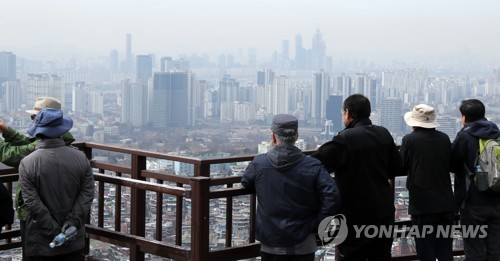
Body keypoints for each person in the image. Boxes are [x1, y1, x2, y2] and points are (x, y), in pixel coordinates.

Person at [311, 94, 402, 260]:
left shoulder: (345, 139)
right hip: (383, 211)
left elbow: (314, 165)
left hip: (355, 216)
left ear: (347, 113)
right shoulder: (384, 134)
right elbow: (396, 167)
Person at [241, 114, 341, 261]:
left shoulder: (259, 164)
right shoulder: (312, 166)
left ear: (273, 137)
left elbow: (246, 182)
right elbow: (332, 195)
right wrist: (318, 223)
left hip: (270, 241)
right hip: (304, 241)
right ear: (296, 137)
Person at [18, 108, 94, 261]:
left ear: (38, 133)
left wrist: (55, 231)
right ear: (61, 131)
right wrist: (69, 226)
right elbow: (87, 195)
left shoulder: (27, 163)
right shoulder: (81, 158)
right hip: (73, 242)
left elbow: (33, 204)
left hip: (41, 244)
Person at [401, 104, 455, 261]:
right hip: (445, 203)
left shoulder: (409, 140)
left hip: (422, 205)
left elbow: (401, 167)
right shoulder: (444, 138)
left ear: (414, 123)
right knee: (445, 250)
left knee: (426, 252)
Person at [451, 99, 500, 260]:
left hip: (472, 200)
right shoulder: (496, 133)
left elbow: (453, 163)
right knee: (495, 249)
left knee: (474, 249)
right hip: (496, 198)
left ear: (464, 117)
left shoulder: (464, 135)